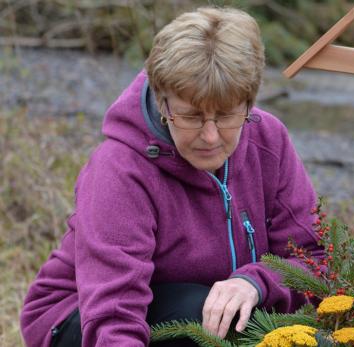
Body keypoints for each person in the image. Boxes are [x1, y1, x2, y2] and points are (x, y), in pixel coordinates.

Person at [20, 6, 323, 347]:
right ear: (164, 103)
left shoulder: (269, 142)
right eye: (191, 116)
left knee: (264, 328)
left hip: (210, 312)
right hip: (82, 321)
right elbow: (113, 314)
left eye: (226, 116)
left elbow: (315, 262)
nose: (210, 136)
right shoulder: (120, 170)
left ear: (249, 104)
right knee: (203, 318)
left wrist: (257, 282)